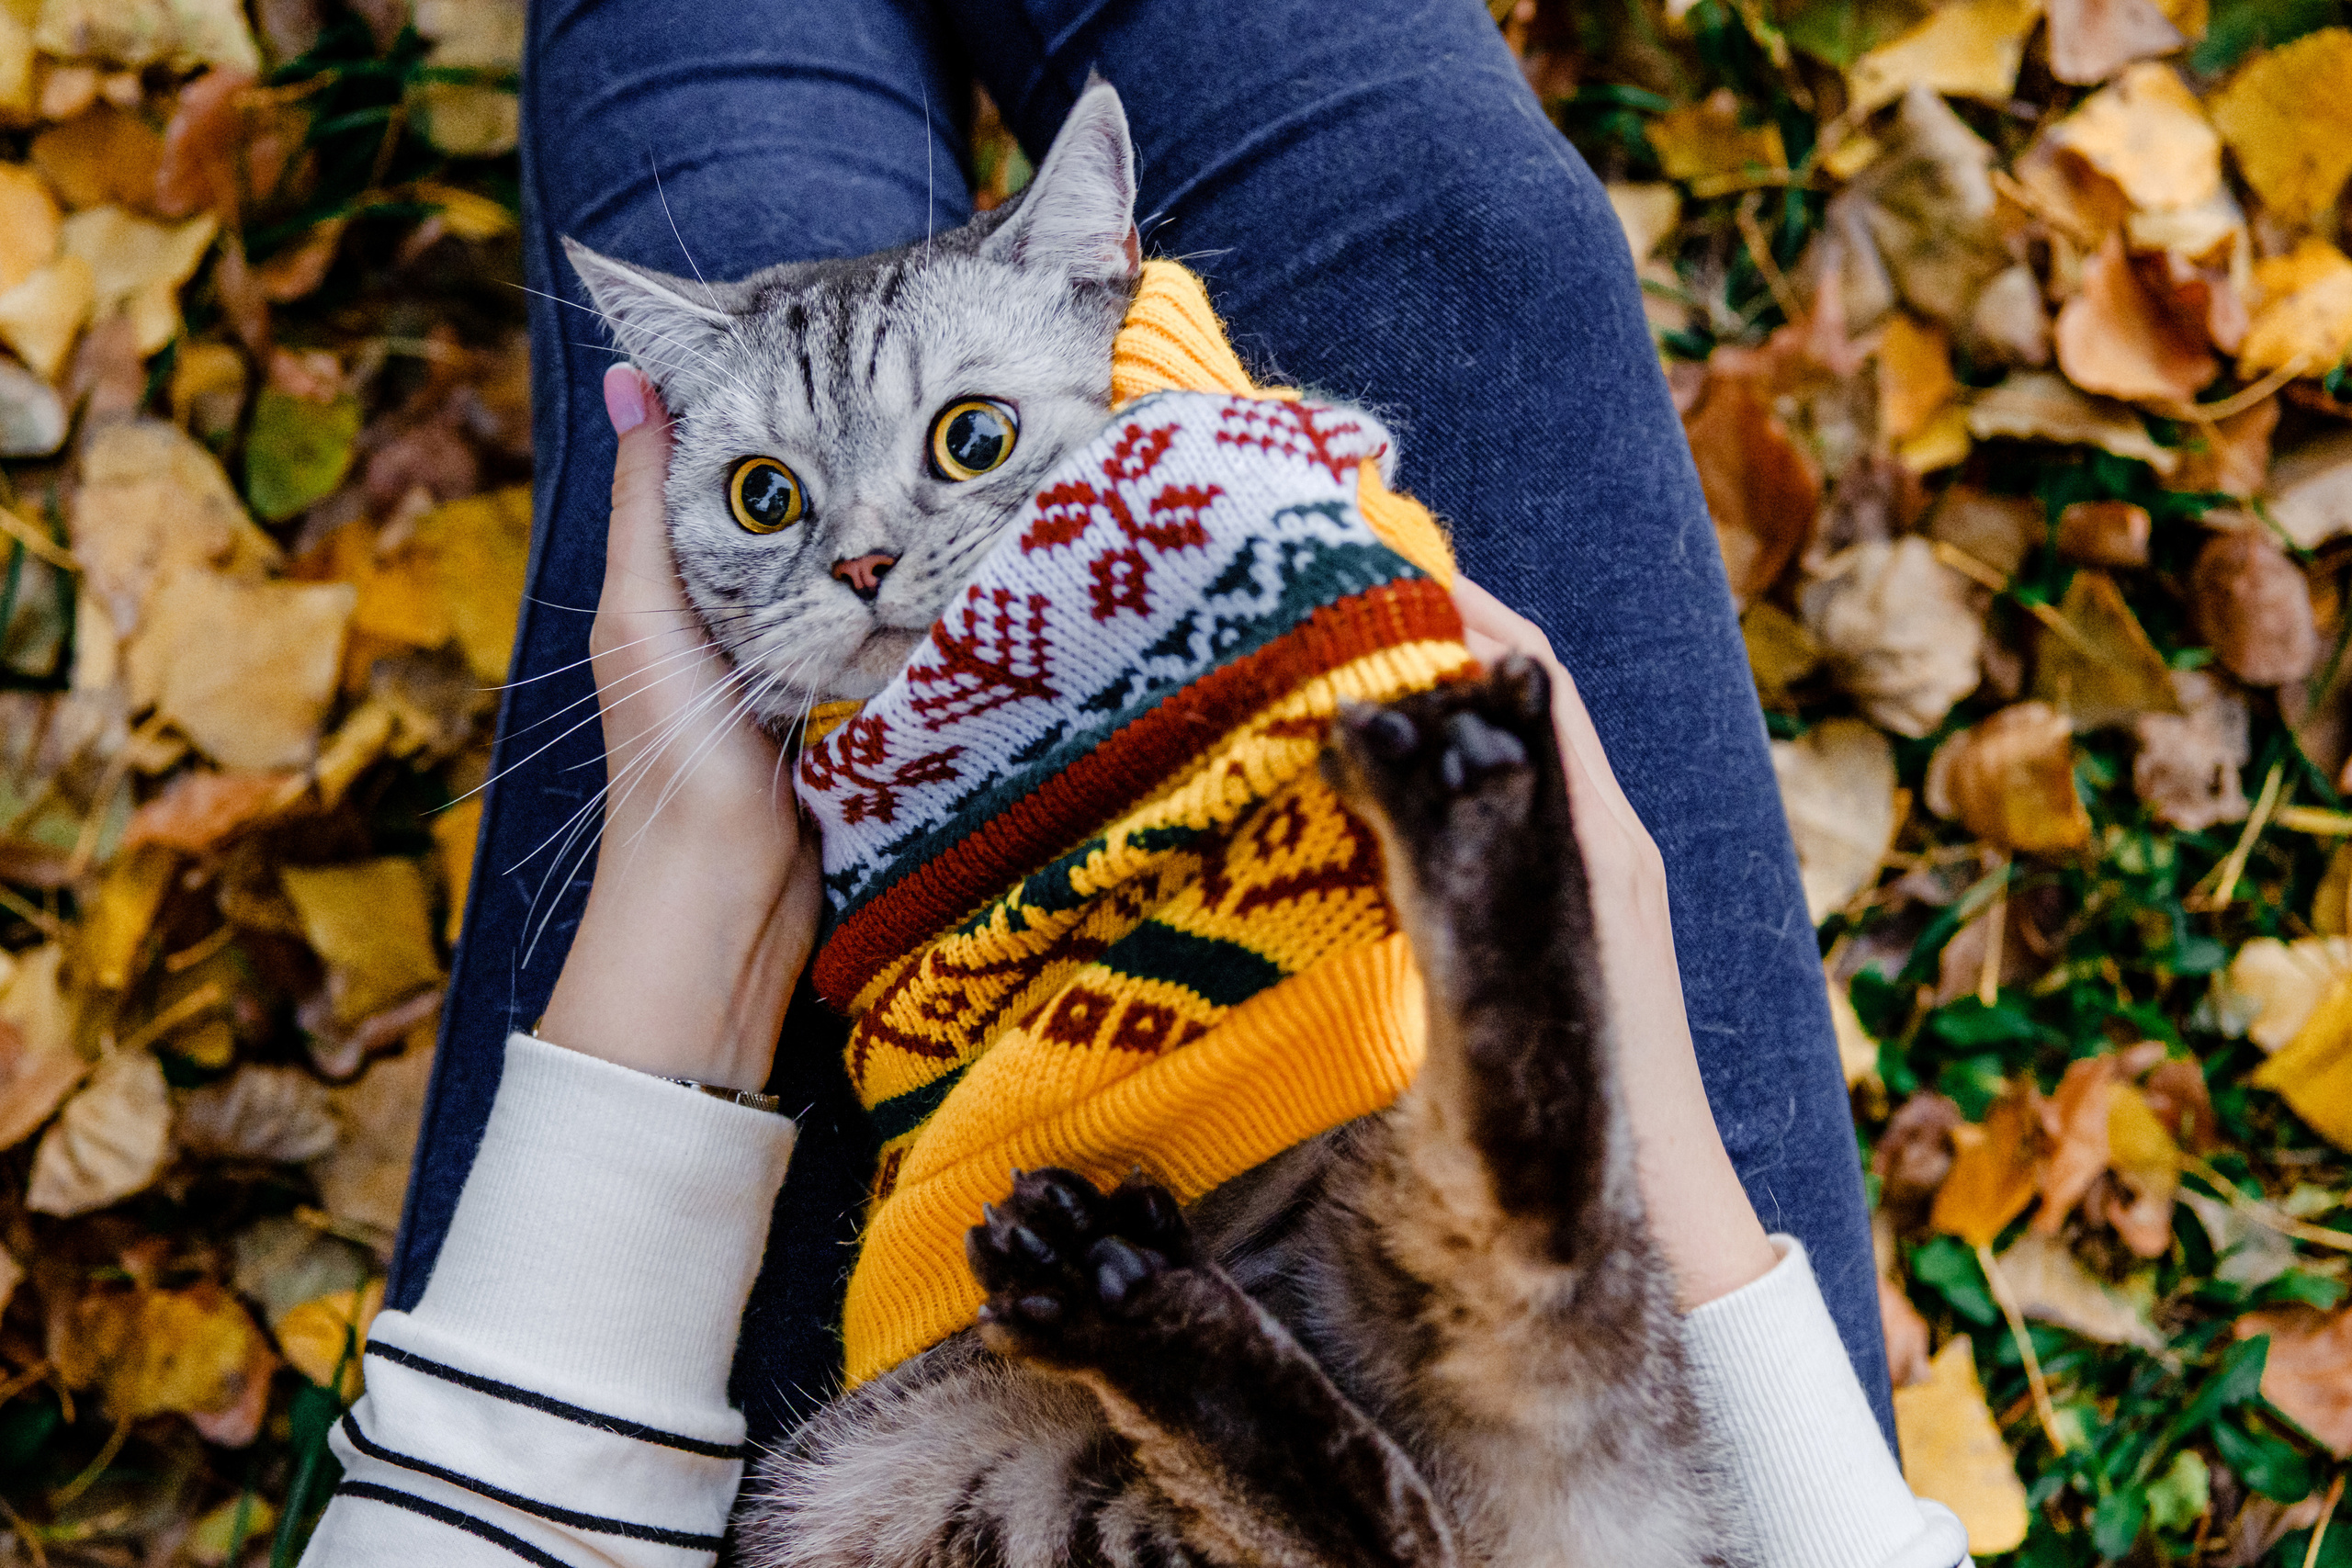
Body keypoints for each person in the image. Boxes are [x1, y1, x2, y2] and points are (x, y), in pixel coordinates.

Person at [322, 0, 1957, 1562]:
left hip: (901, 1396)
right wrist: (1625, 1077)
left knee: (744, 194)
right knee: (1461, 226)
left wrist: (698, 895)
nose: (869, 557)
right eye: (773, 499)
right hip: (1610, 1391)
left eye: (961, 449)